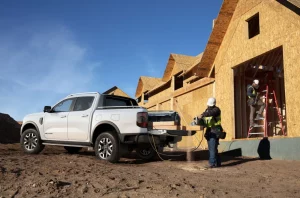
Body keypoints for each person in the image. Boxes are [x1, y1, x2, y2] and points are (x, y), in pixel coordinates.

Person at [197, 97, 221, 168]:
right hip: (210, 131)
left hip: (215, 131)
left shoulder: (216, 110)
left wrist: (202, 115)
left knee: (212, 148)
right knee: (213, 148)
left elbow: (210, 113)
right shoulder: (207, 110)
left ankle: (212, 163)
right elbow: (206, 114)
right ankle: (218, 163)